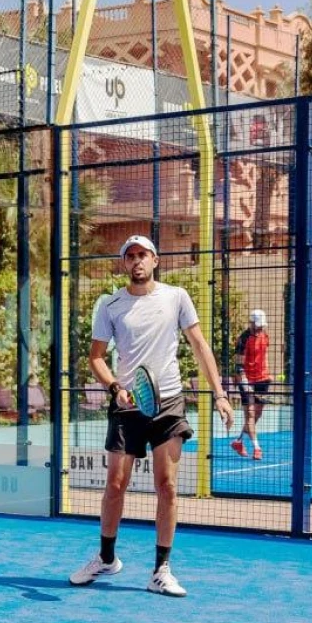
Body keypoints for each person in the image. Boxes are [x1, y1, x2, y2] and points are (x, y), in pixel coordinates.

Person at [69, 236, 234, 597]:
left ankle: (161, 570)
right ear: (124, 264)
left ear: (155, 260)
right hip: (126, 404)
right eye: (130, 256)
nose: (137, 261)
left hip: (169, 401)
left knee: (167, 485)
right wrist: (115, 387)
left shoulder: (177, 297)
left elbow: (199, 345)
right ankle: (106, 559)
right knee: (115, 484)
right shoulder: (111, 305)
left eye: (142, 254)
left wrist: (220, 394)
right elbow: (96, 356)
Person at [231, 309, 271, 461]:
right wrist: (244, 382)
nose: (259, 328)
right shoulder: (243, 339)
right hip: (247, 380)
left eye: (261, 326)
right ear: (251, 323)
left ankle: (238, 441)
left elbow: (264, 356)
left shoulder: (265, 336)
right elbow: (238, 365)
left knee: (257, 415)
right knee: (250, 414)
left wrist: (268, 374)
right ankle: (257, 448)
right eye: (257, 325)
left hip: (263, 379)